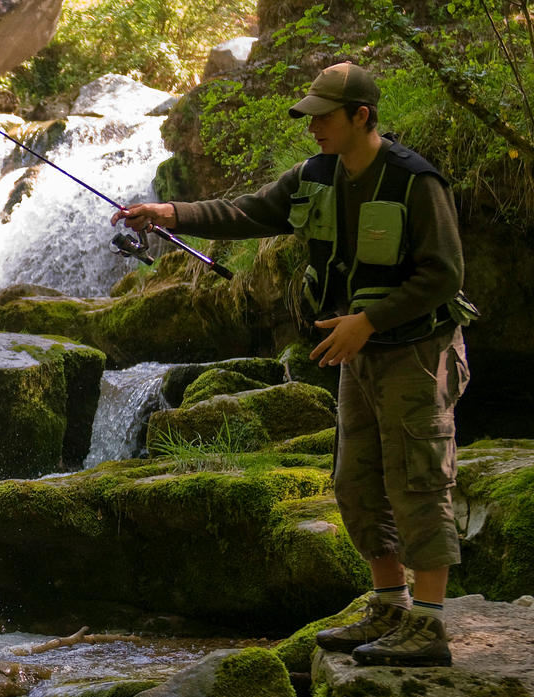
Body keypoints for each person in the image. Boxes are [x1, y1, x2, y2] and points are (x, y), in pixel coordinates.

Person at [112, 61, 477, 668]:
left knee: (416, 480)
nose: (313, 129)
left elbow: (445, 275)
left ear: (362, 116)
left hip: (416, 352)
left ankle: (430, 625)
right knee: (356, 483)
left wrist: (369, 321)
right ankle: (390, 603)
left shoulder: (416, 182)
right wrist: (171, 214)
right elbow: (250, 212)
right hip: (356, 355)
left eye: (324, 118)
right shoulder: (316, 176)